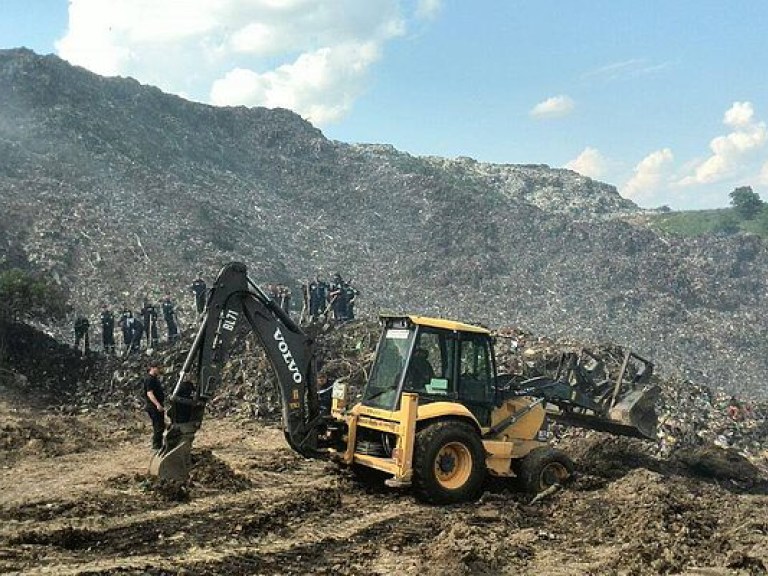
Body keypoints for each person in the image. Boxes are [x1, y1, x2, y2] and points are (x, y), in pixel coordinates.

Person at [143, 362, 166, 450]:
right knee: (158, 427)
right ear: (152, 368)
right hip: (153, 407)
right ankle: (156, 447)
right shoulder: (149, 379)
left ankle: (159, 445)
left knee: (160, 426)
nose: (159, 370)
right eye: (158, 368)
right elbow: (150, 393)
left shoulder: (154, 378)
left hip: (156, 406)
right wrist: (157, 405)